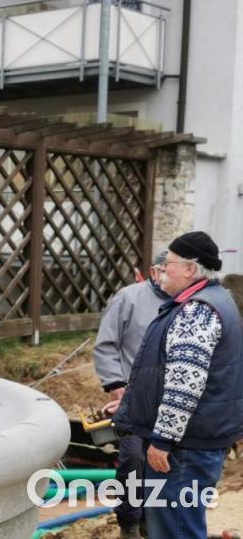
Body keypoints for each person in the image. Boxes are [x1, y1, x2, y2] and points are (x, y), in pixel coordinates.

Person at [114, 231, 243, 539]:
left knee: (175, 528)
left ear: (189, 269)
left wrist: (162, 441)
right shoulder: (216, 300)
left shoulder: (197, 310)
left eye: (167, 264)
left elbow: (186, 384)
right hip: (199, 440)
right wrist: (132, 402)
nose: (160, 271)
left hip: (185, 448)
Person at [95, 251, 168, 539]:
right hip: (132, 401)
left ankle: (154, 526)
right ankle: (129, 523)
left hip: (170, 402)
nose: (166, 277)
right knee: (134, 458)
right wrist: (116, 385)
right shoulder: (128, 298)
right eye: (162, 270)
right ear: (153, 271)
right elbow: (106, 345)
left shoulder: (188, 302)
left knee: (163, 462)